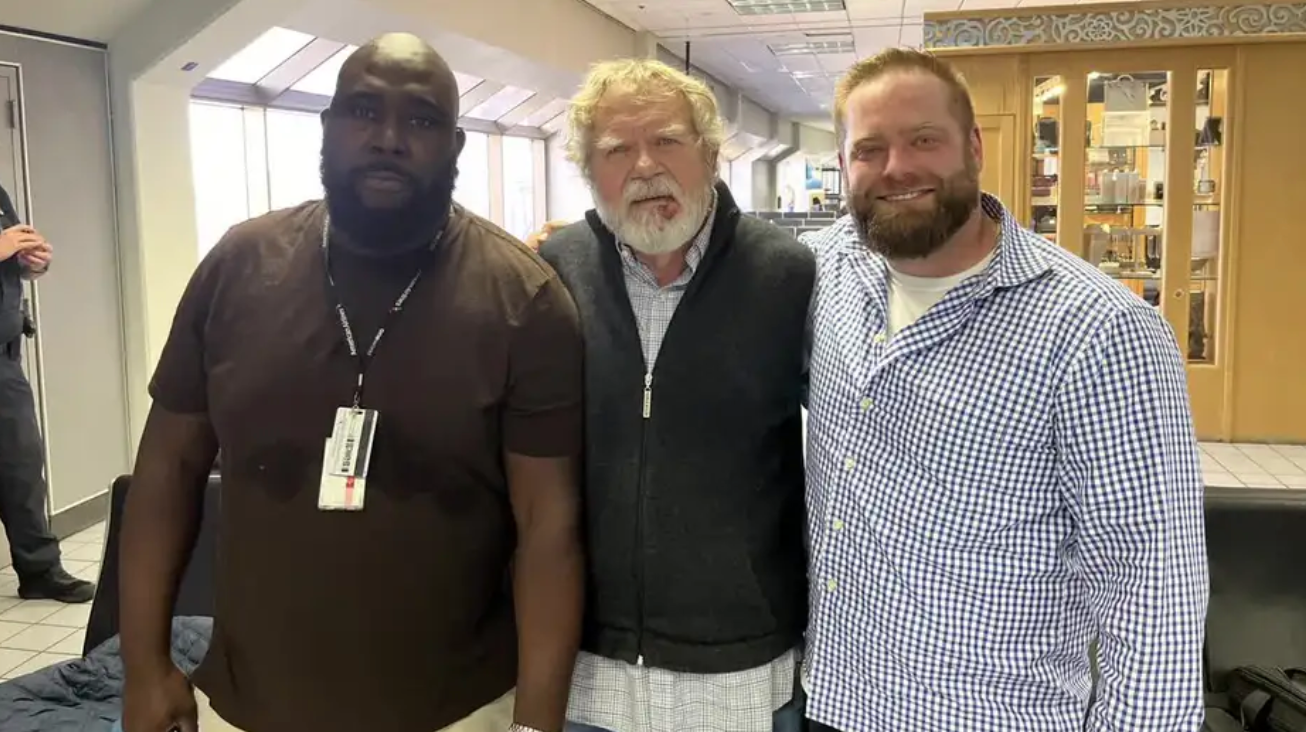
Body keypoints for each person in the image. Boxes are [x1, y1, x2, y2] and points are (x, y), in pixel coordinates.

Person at [119, 33, 584, 732]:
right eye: (364, 111)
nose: (389, 138)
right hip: (244, 705)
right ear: (328, 128)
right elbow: (165, 470)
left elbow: (549, 528)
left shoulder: (524, 301)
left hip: (456, 709)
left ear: (456, 146)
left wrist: (535, 723)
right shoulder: (238, 268)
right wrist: (144, 668)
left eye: (421, 120)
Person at [800, 48, 1207, 731]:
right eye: (869, 148)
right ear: (843, 166)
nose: (897, 167)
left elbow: (1152, 585)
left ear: (975, 148)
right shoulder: (823, 272)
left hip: (990, 717)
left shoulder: (1099, 330)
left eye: (923, 140)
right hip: (833, 701)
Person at [534, 59, 814, 732]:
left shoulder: (787, 274)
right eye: (616, 150)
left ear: (711, 153)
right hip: (588, 665)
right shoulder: (554, 273)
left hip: (739, 666)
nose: (644, 166)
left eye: (666, 141)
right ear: (588, 171)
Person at [0, 182, 96, 604]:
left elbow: (14, 261)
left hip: (4, 360)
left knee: (21, 467)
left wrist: (33, 263)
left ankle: (39, 570)